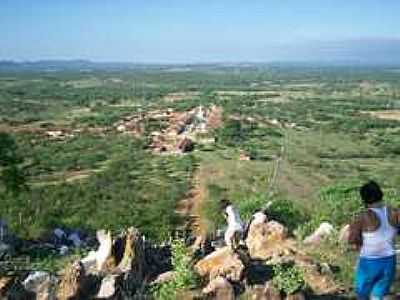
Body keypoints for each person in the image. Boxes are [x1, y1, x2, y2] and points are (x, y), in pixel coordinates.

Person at [349, 181, 400, 300]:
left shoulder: (362, 217)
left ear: (364, 199)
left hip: (369, 262)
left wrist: (359, 244)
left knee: (362, 296)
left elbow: (352, 239)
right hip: (389, 262)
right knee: (378, 296)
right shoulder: (394, 212)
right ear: (380, 194)